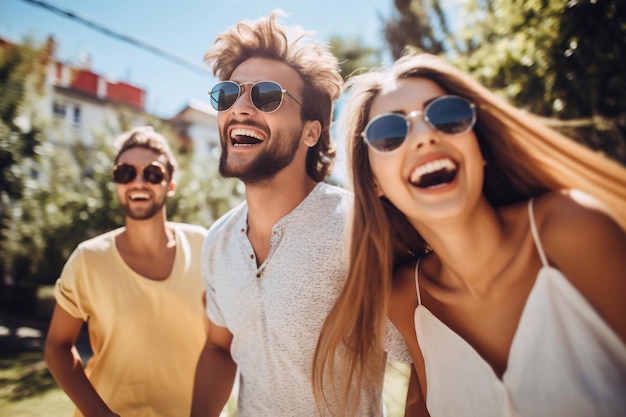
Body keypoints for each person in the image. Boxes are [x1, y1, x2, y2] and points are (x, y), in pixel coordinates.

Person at [313, 53, 626, 417]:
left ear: (480, 147)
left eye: (447, 115)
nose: (425, 136)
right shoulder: (405, 300)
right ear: (373, 182)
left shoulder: (573, 228)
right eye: (389, 133)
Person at [190, 11, 411, 417]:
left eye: (266, 96)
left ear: (312, 131)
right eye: (228, 94)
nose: (239, 108)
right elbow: (220, 348)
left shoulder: (358, 230)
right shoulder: (218, 242)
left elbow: (424, 357)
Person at [45, 126, 208, 417]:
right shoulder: (88, 259)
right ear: (116, 182)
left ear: (170, 184)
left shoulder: (204, 246)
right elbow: (57, 347)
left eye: (153, 173)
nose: (138, 182)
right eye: (125, 173)